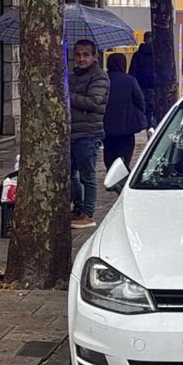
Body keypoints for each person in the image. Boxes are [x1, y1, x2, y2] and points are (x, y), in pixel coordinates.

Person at [69, 40, 110, 229]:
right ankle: (77, 208)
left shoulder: (99, 77)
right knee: (71, 174)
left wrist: (68, 96)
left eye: (86, 55)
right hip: (73, 132)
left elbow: (94, 102)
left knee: (88, 175)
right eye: (78, 54)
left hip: (88, 132)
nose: (81, 59)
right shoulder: (74, 76)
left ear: (95, 57)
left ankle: (88, 213)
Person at [103, 52, 147, 171]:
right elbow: (139, 100)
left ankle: (111, 173)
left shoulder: (103, 80)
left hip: (107, 125)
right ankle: (122, 172)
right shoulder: (130, 80)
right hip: (126, 125)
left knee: (109, 150)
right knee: (125, 151)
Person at [129, 32, 157, 127]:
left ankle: (143, 124)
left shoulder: (137, 55)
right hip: (154, 87)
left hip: (140, 86)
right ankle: (152, 128)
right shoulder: (157, 55)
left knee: (141, 106)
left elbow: (132, 71)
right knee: (153, 109)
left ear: (144, 39)